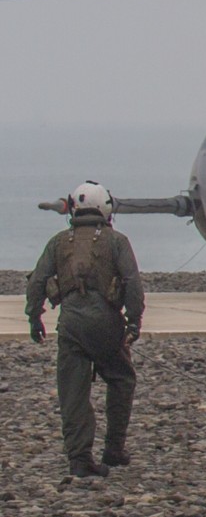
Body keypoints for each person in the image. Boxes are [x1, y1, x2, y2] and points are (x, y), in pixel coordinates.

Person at [25, 180, 143, 480]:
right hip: (106, 326)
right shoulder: (117, 241)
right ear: (105, 208)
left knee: (73, 393)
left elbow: (38, 281)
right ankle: (114, 449)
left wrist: (34, 318)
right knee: (122, 378)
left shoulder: (58, 241)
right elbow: (132, 284)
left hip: (71, 325)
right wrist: (133, 322)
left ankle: (79, 459)